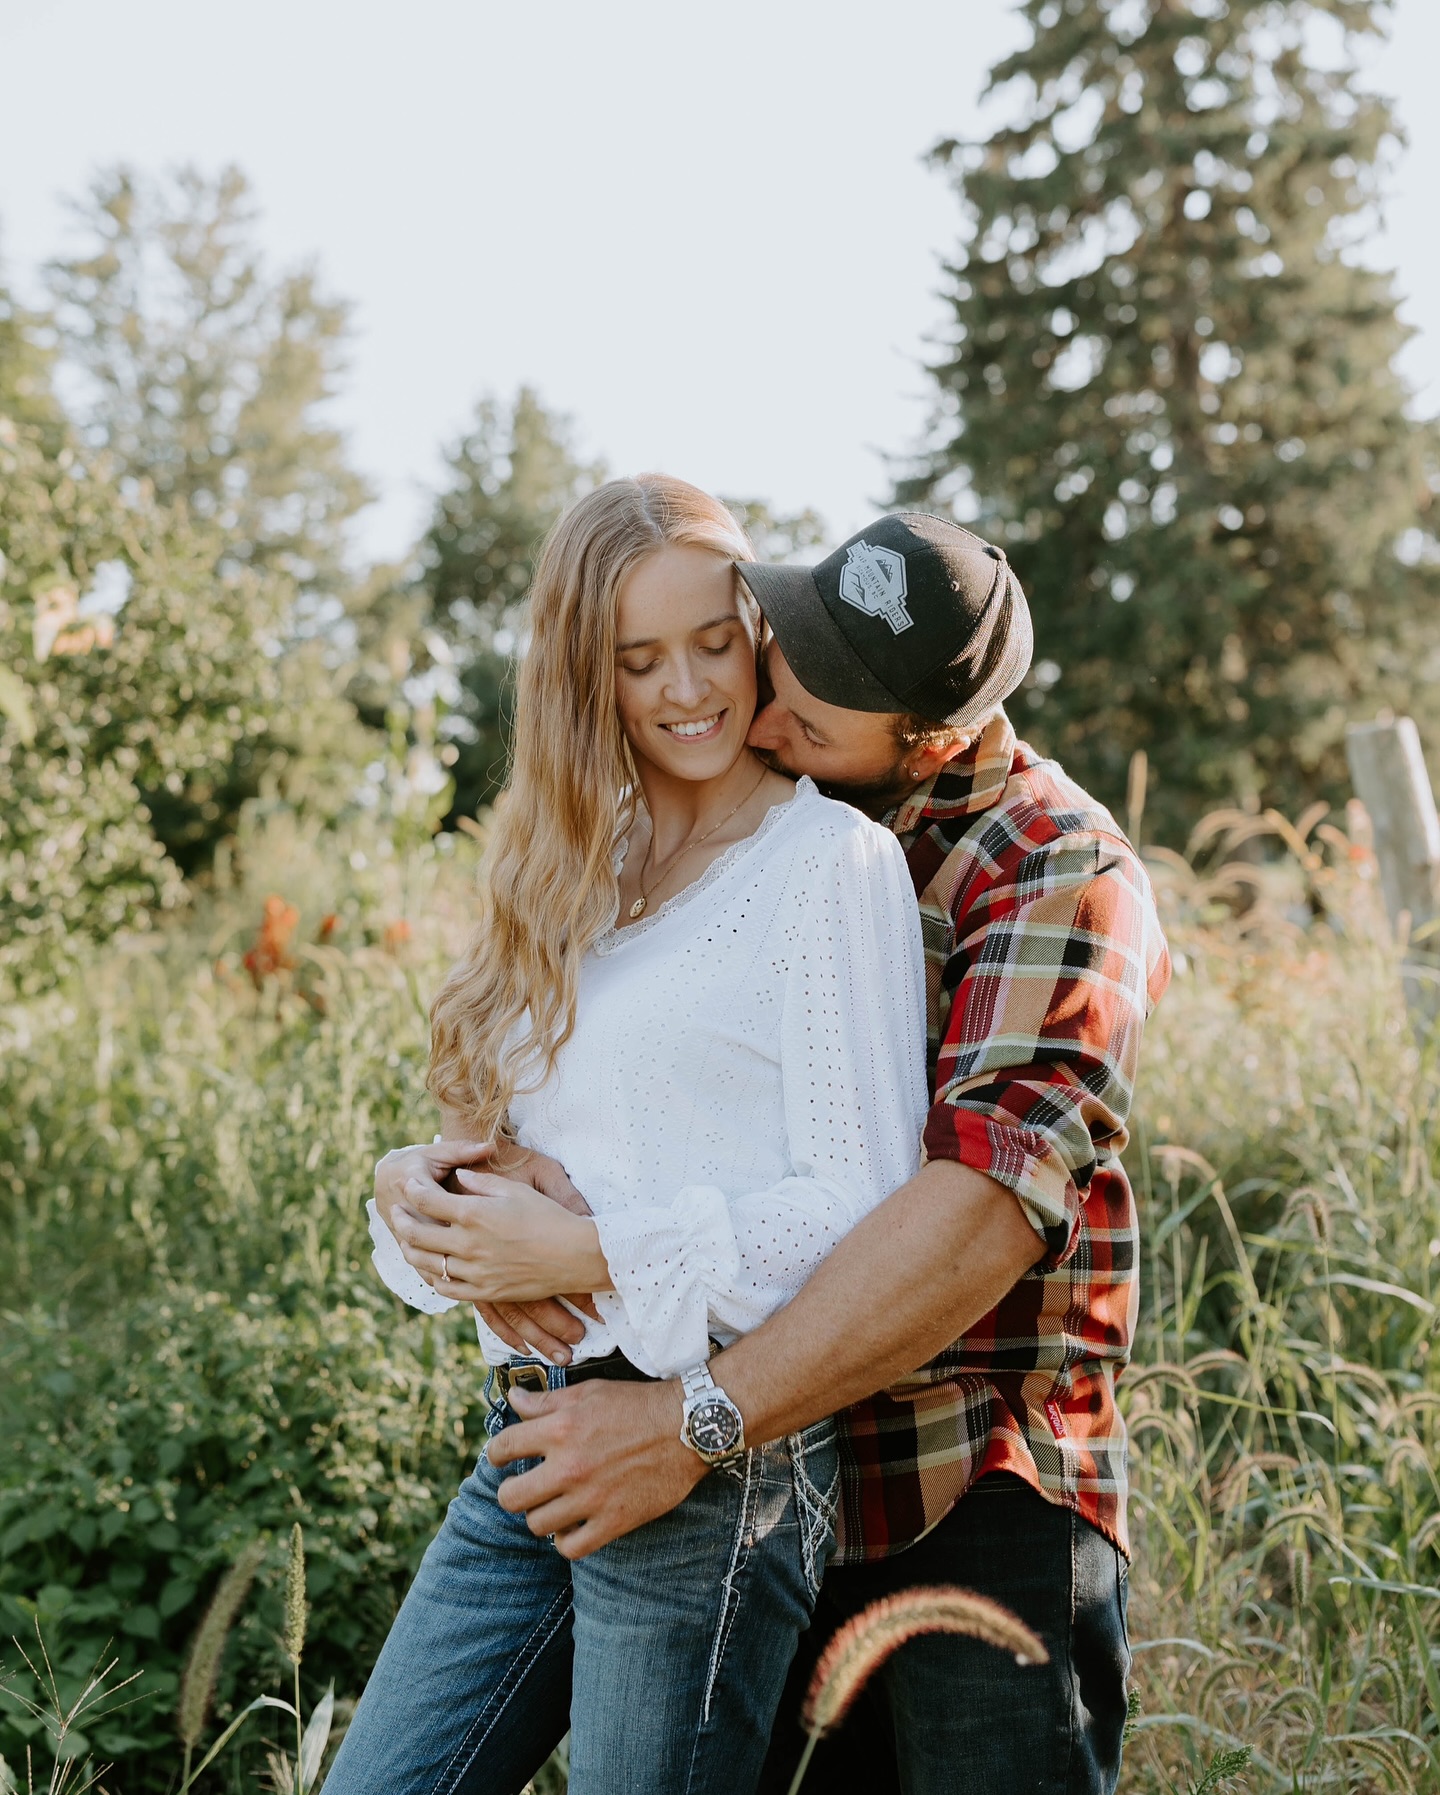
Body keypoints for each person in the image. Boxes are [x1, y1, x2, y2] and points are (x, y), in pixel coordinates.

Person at [380, 511, 1171, 1794]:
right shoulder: (753, 825)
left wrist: (687, 1417)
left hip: (964, 1484)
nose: (776, 690)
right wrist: (441, 1190)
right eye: (796, 639)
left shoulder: (1055, 871)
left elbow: (972, 1217)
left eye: (833, 686)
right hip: (782, 1457)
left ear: (937, 737)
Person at [326, 476, 929, 1795]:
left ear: (759, 628)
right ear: (585, 673)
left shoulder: (826, 865)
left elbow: (858, 1203)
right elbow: (516, 1165)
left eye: (714, 640)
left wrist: (590, 1243)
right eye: (638, 658)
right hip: (535, 1437)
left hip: (708, 1455)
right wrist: (424, 1189)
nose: (687, 689)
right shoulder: (572, 871)